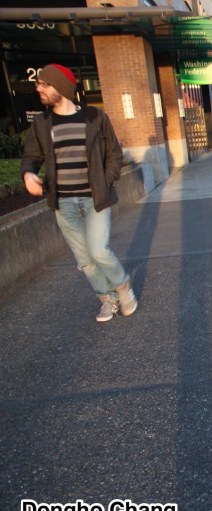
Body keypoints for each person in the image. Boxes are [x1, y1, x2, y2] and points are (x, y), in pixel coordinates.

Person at [20, 64, 137, 323]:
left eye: (44, 84)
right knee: (85, 260)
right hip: (63, 203)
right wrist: (28, 173)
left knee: (98, 251)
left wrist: (104, 184)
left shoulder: (94, 117)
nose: (38, 88)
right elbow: (31, 157)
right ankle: (107, 299)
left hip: (94, 199)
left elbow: (114, 155)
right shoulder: (42, 124)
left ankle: (122, 284)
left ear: (60, 87)